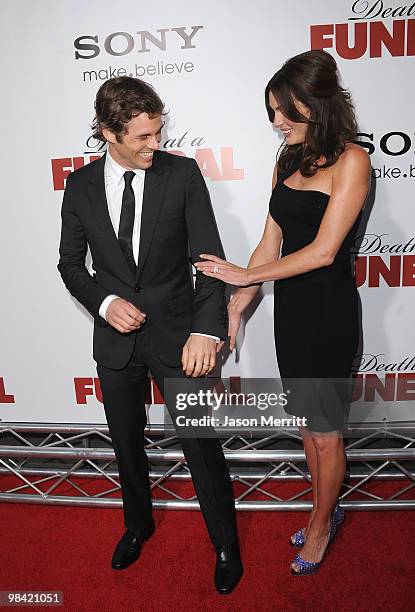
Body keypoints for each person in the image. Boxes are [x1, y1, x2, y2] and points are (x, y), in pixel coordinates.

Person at [58, 76, 242, 594]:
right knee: (125, 443)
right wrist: (106, 302)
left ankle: (225, 541)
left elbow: (207, 260)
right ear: (107, 133)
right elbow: (70, 264)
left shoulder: (181, 175)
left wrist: (209, 330)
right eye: (142, 137)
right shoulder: (80, 186)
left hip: (181, 337)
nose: (154, 145)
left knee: (202, 444)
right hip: (116, 341)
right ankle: (137, 526)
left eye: (158, 132)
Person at [195, 50, 370, 576]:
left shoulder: (354, 160)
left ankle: (320, 524)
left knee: (325, 432)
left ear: (316, 106)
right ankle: (327, 507)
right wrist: (239, 302)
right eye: (272, 112)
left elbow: (323, 250)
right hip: (291, 310)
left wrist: (246, 277)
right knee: (306, 427)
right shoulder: (288, 160)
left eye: (285, 112)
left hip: (329, 312)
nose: (277, 123)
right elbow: (272, 240)